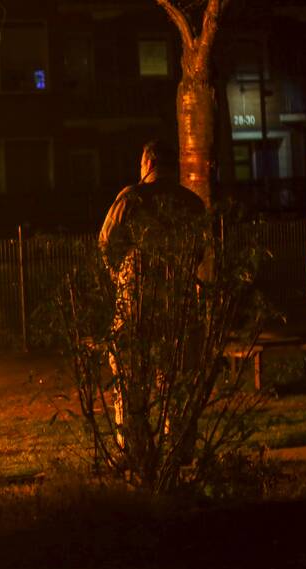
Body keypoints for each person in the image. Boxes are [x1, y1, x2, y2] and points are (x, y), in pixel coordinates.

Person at [98, 140, 207, 457]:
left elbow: (106, 242)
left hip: (138, 300)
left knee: (130, 375)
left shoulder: (132, 199)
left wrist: (121, 274)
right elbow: (200, 249)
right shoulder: (192, 203)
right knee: (178, 376)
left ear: (148, 163)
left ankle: (133, 449)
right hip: (179, 301)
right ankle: (180, 448)